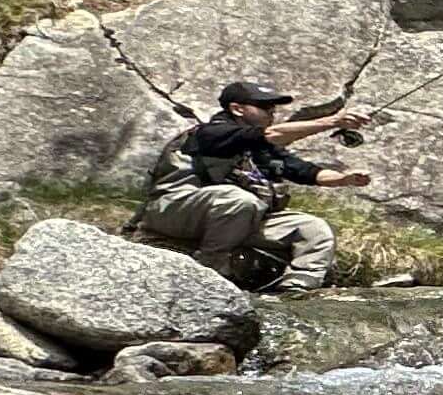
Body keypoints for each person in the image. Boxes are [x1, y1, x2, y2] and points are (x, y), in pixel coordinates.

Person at [131, 78, 370, 296]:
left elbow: (307, 172)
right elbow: (272, 134)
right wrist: (332, 121)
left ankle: (295, 293)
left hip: (239, 218)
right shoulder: (210, 133)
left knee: (313, 229)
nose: (272, 112)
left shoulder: (263, 148)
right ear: (237, 109)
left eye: (273, 108)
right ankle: (208, 270)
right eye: (265, 107)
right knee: (239, 200)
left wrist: (344, 179)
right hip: (173, 212)